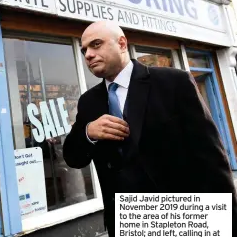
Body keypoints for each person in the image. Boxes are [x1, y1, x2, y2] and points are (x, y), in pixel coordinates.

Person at [63, 21, 237, 237]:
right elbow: (73, 157)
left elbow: (211, 157)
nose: (88, 54)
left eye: (96, 44)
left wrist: (227, 220)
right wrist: (88, 132)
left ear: (122, 43)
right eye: (84, 50)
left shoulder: (173, 82)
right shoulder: (89, 101)